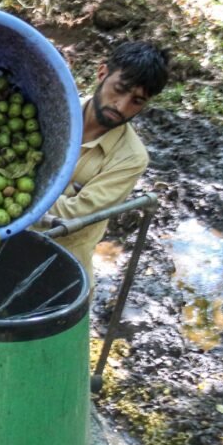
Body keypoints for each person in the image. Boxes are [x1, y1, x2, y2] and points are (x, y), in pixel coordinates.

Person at [46, 41, 171, 285]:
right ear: (102, 73)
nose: (121, 106)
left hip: (60, 271)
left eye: (137, 101)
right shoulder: (53, 110)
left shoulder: (131, 157)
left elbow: (75, 216)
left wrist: (19, 195)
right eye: (120, 89)